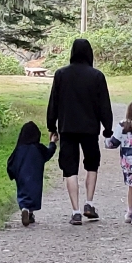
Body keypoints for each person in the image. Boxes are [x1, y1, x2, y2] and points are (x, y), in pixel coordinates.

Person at [45, 38, 112, 225]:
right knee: (92, 165)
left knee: (70, 168)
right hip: (90, 129)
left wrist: (52, 126)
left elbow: (54, 103)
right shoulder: (97, 76)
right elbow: (104, 105)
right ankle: (89, 204)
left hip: (67, 128)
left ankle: (75, 211)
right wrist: (107, 128)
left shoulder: (61, 75)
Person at [5, 121, 54, 227]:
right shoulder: (38, 148)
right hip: (35, 179)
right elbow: (49, 153)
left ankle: (24, 210)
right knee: (33, 196)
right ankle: (30, 214)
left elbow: (10, 163)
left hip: (22, 178)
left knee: (23, 196)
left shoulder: (19, 149)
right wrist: (52, 143)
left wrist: (12, 174)